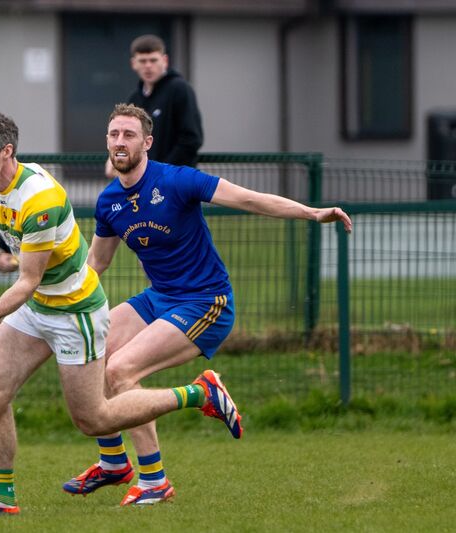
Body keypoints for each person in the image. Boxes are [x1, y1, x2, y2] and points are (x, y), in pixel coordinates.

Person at [0, 111, 242, 518]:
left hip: (72, 311)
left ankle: (197, 394)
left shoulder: (39, 198)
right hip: (35, 307)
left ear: (5, 151)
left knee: (94, 419)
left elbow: (28, 280)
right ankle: (3, 501)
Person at [63, 103, 353, 505]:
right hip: (160, 297)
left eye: (129, 135)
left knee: (121, 371)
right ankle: (113, 463)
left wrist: (312, 212)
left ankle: (154, 482)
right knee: (94, 350)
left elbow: (249, 199)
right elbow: (97, 263)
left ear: (147, 142)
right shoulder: (110, 200)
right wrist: (60, 298)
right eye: (114, 134)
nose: (119, 142)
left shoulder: (179, 181)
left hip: (206, 301)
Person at [105, 34, 203, 178]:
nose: (148, 66)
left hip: (177, 181)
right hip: (144, 182)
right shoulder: (135, 98)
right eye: (143, 61)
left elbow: (191, 140)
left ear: (165, 60)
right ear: (134, 63)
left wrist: (160, 172)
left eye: (153, 60)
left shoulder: (180, 89)